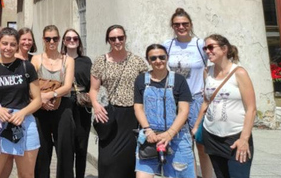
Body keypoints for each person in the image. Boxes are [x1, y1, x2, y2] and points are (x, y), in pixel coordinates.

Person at [0, 27, 42, 178]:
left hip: (25, 123)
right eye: (4, 43)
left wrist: (22, 113)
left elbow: (38, 100)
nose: (8, 48)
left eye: (12, 44)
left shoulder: (26, 67)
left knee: (26, 174)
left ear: (17, 46)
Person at [193, 35, 256, 178]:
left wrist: (244, 139)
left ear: (224, 49)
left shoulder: (239, 73)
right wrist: (197, 126)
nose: (207, 51)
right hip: (212, 136)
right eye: (205, 48)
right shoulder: (206, 72)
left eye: (210, 47)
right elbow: (206, 102)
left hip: (235, 137)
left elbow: (251, 109)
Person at [90, 25, 148, 178]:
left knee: (129, 161)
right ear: (108, 40)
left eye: (120, 37)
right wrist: (96, 105)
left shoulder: (137, 61)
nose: (117, 41)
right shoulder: (100, 61)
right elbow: (93, 90)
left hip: (133, 115)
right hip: (111, 114)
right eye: (113, 38)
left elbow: (147, 87)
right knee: (107, 160)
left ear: (125, 38)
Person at [164, 7, 213, 178]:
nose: (181, 27)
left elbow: (211, 67)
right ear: (172, 26)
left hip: (196, 99)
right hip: (175, 101)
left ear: (190, 25)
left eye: (185, 23)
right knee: (181, 144)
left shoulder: (200, 45)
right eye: (177, 24)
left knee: (201, 144)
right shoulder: (168, 45)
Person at [134, 44, 195, 178]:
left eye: (162, 57)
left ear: (167, 58)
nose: (158, 61)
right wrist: (148, 129)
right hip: (150, 137)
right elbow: (138, 108)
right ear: (148, 60)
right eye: (153, 58)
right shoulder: (141, 80)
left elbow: (184, 110)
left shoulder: (179, 80)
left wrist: (170, 134)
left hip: (176, 137)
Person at [31, 25, 75, 178]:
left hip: (62, 107)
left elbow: (68, 86)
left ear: (59, 39)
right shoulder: (36, 59)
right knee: (41, 151)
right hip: (40, 109)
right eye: (48, 38)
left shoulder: (67, 60)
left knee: (65, 151)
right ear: (43, 39)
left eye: (55, 38)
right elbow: (31, 84)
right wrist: (41, 100)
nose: (52, 41)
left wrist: (49, 95)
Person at [61, 29, 92, 178]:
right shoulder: (59, 60)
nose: (72, 40)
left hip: (81, 104)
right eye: (68, 38)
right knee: (66, 146)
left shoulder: (86, 61)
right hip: (64, 103)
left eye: (75, 38)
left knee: (81, 145)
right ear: (64, 41)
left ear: (79, 41)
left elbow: (92, 84)